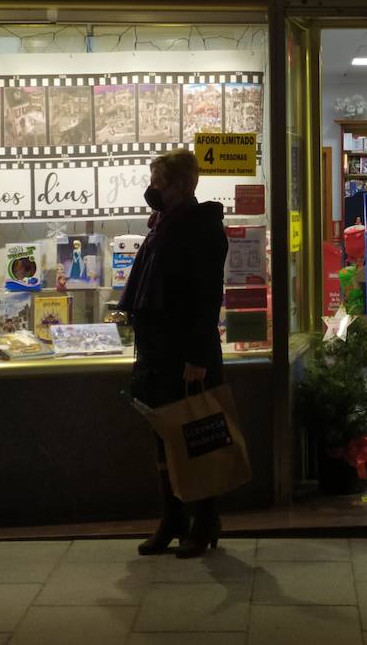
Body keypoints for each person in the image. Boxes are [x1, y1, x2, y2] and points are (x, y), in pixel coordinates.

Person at [118, 149, 230, 558]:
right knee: (164, 439)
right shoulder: (165, 225)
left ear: (183, 186)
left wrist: (198, 357)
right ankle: (173, 517)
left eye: (159, 183)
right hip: (158, 353)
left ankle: (206, 518)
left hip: (186, 353)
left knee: (198, 438)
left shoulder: (201, 229)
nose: (153, 191)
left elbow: (206, 299)